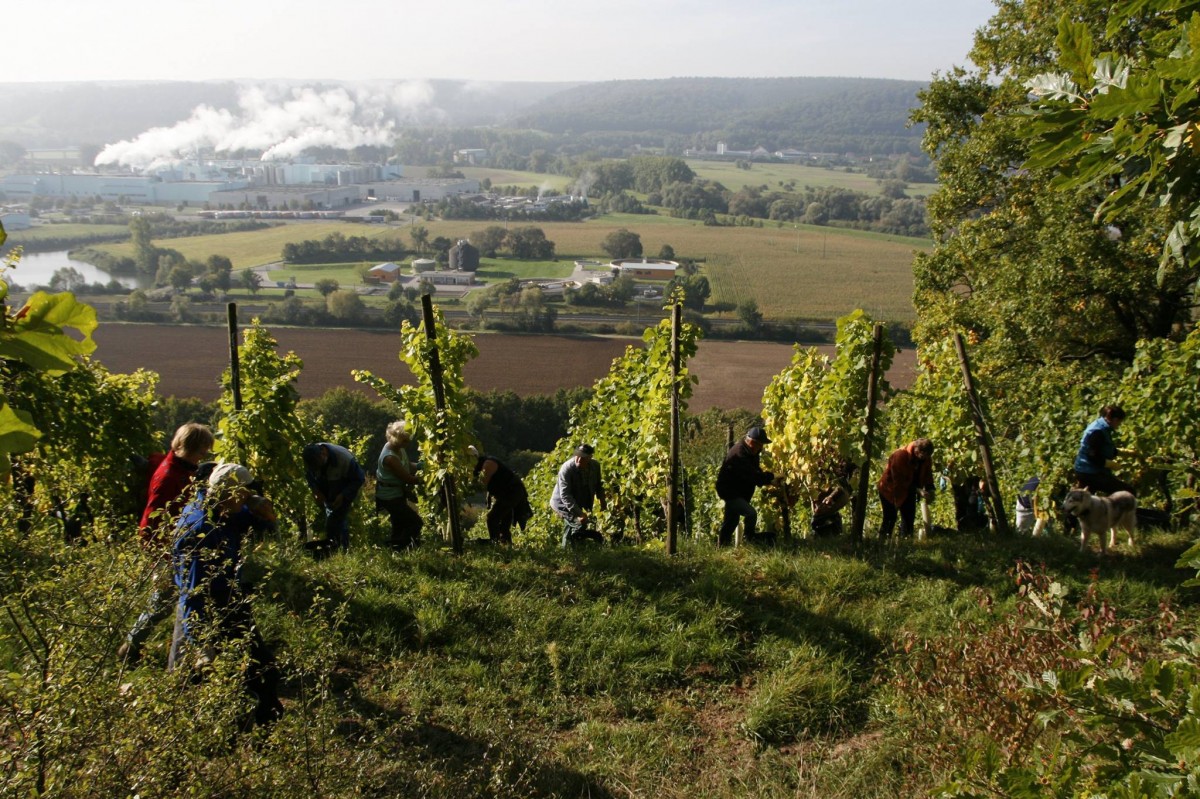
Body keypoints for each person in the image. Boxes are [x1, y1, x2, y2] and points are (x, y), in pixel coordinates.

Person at [172, 462, 282, 726]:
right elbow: (193, 591)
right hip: (214, 606)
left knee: (260, 668)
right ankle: (250, 725)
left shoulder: (223, 509)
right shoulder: (202, 531)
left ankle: (259, 721)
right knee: (254, 670)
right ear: (231, 493)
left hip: (228, 595)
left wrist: (265, 513)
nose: (247, 497)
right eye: (244, 493)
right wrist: (201, 641)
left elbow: (261, 527)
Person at [119, 422, 214, 662]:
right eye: (202, 449)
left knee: (175, 598)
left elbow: (154, 461)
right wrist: (161, 554)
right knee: (165, 600)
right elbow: (153, 520)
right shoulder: (170, 477)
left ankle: (139, 647)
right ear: (191, 448)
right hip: (165, 547)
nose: (204, 454)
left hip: (176, 545)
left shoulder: (178, 466)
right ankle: (131, 648)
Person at [715, 427, 776, 546]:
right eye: (760, 444)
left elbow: (756, 471)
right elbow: (753, 475)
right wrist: (771, 476)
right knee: (750, 513)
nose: (761, 447)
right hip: (730, 491)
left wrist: (769, 480)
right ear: (752, 442)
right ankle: (749, 539)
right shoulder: (739, 453)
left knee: (731, 520)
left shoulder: (752, 452)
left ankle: (722, 546)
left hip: (738, 491)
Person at [303, 442, 366, 552]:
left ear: (323, 453)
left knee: (338, 520)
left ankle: (342, 550)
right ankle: (335, 549)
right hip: (327, 488)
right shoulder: (311, 459)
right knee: (332, 521)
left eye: (318, 465)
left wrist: (343, 495)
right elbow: (310, 477)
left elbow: (359, 479)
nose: (316, 468)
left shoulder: (344, 459)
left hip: (343, 487)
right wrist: (316, 491)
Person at [470, 445, 533, 545]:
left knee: (492, 518)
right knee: (504, 522)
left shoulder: (488, 464)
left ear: (474, 458)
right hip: (506, 493)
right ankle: (505, 544)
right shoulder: (480, 466)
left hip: (512, 491)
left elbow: (482, 484)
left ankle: (495, 544)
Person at [376, 421, 423, 549]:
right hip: (389, 496)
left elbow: (407, 466)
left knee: (399, 524)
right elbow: (408, 478)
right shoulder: (390, 458)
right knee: (415, 522)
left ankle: (396, 549)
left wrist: (421, 466)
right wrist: (428, 478)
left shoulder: (398, 448)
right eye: (405, 441)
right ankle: (401, 547)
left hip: (397, 493)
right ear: (396, 439)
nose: (408, 443)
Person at [550, 444, 607, 547]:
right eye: (577, 456)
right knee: (578, 523)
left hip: (577, 501)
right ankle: (571, 549)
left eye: (583, 457)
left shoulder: (595, 466)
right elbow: (565, 495)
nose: (579, 459)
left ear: (590, 457)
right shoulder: (567, 468)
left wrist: (602, 500)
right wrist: (580, 514)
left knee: (574, 525)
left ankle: (570, 549)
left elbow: (598, 485)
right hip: (561, 503)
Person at [877, 438, 935, 539]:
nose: (925, 458)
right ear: (917, 451)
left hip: (910, 490)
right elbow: (899, 481)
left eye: (927, 456)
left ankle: (906, 543)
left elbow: (928, 474)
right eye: (923, 456)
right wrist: (918, 490)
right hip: (890, 490)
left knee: (908, 520)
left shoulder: (926, 457)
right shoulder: (900, 456)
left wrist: (930, 489)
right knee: (890, 518)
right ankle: (882, 543)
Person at [1073, 405, 1135, 496]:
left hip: (1085, 470)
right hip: (1089, 472)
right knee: (1127, 492)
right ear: (1115, 419)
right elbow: (1092, 455)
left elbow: (1103, 448)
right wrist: (1110, 464)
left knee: (1086, 499)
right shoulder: (1097, 431)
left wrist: (1123, 452)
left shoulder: (1101, 426)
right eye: (1119, 422)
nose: (1119, 424)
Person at [811, 460, 855, 537]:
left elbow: (840, 488)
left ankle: (829, 533)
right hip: (839, 492)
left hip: (842, 492)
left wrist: (830, 497)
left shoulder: (837, 466)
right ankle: (829, 533)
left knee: (820, 513)